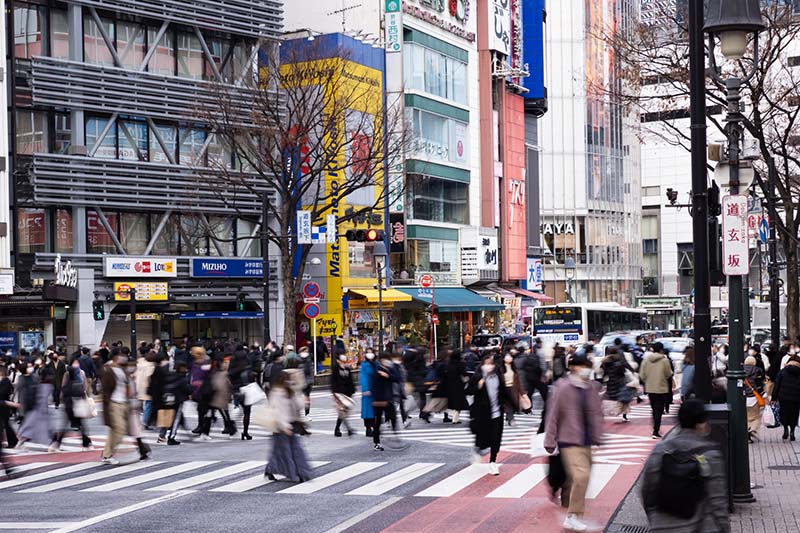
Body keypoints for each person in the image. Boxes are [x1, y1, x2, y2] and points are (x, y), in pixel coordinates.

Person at [641, 399, 730, 533]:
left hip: (663, 525)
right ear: (701, 424)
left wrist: (654, 517)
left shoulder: (661, 449)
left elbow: (647, 489)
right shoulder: (710, 455)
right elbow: (718, 501)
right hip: (700, 526)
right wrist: (724, 527)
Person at [544, 353, 604, 533]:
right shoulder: (562, 387)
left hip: (586, 440)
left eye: (588, 365)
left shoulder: (591, 387)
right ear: (573, 367)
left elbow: (596, 412)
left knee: (577, 479)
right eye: (582, 366)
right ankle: (573, 516)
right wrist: (550, 439)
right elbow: (553, 414)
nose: (586, 369)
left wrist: (599, 434)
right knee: (581, 476)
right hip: (568, 439)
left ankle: (569, 507)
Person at [264, 371, 313, 483]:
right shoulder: (276, 394)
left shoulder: (290, 392)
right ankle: (294, 473)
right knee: (285, 451)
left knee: (288, 450)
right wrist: (284, 426)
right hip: (280, 427)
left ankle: (274, 469)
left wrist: (304, 401)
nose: (289, 382)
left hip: (290, 424)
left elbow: (297, 405)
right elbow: (277, 412)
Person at [468, 354, 511, 475]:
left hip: (497, 413)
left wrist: (513, 406)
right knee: (483, 438)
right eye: (486, 364)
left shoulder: (497, 376)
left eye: (491, 364)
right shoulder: (477, 377)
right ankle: (478, 450)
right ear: (482, 365)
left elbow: (503, 392)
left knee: (495, 438)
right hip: (482, 413)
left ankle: (493, 462)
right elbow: (468, 391)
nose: (489, 366)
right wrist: (478, 386)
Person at [50, 357, 92, 452]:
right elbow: (80, 390)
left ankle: (56, 443)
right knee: (80, 425)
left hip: (70, 405)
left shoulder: (81, 373)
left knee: (70, 425)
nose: (76, 364)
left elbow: (65, 390)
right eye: (74, 362)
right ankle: (87, 444)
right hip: (75, 404)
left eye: (77, 362)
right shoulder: (68, 375)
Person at [100, 350, 132, 464]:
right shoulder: (108, 370)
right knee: (120, 429)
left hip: (123, 402)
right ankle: (107, 454)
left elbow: (126, 385)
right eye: (120, 356)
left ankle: (106, 454)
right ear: (114, 358)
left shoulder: (122, 369)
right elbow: (105, 391)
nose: (123, 358)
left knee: (114, 430)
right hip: (114, 403)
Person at [640, 342, 674, 439]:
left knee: (654, 409)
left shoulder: (646, 360)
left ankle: (655, 428)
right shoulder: (664, 360)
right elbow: (668, 374)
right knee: (659, 409)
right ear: (661, 349)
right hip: (661, 387)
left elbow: (642, 375)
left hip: (650, 387)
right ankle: (655, 431)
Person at [16, 359, 51, 449]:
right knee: (27, 423)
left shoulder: (34, 377)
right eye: (28, 367)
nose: (30, 368)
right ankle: (21, 439)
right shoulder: (21, 378)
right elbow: (19, 393)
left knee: (31, 423)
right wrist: (19, 404)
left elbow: (39, 388)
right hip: (26, 403)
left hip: (35, 403)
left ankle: (23, 439)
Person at [372, 352, 401, 451]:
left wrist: (387, 375)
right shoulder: (377, 370)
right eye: (384, 359)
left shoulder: (391, 369)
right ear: (381, 361)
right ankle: (376, 442)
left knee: (393, 417)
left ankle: (395, 434)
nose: (386, 361)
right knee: (378, 421)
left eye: (387, 359)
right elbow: (374, 386)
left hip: (388, 398)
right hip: (379, 399)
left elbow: (397, 378)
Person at [771, 354, 800, 441]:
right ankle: (792, 432)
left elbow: (777, 385)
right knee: (794, 414)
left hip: (783, 396)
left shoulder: (783, 371)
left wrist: (774, 397)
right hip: (796, 397)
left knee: (784, 413)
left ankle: (785, 429)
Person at [601, 347, 634, 422]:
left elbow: (604, 373)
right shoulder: (619, 362)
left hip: (610, 383)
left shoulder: (605, 362)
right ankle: (624, 416)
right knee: (624, 399)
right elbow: (623, 372)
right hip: (619, 383)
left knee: (608, 398)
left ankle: (603, 414)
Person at [331, 353, 355, 437]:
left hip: (347, 393)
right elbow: (333, 382)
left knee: (345, 412)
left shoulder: (348, 368)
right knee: (342, 412)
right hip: (339, 393)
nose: (343, 363)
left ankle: (338, 428)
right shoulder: (335, 369)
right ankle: (347, 429)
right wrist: (334, 393)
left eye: (344, 361)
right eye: (342, 361)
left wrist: (352, 391)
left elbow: (350, 380)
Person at [744, 355, 765, 442]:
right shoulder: (757, 370)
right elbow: (760, 383)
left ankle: (747, 431)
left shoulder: (741, 370)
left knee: (746, 416)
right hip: (754, 396)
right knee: (756, 417)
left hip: (743, 397)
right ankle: (752, 429)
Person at [501, 351, 526, 426]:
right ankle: (511, 419)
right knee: (507, 405)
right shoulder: (500, 368)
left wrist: (522, 392)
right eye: (507, 356)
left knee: (512, 404)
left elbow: (518, 381)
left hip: (513, 389)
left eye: (510, 357)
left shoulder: (514, 368)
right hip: (504, 389)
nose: (509, 358)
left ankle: (509, 417)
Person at [445, 349, 468, 424]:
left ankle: (454, 417)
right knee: (459, 400)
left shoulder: (448, 364)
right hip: (458, 383)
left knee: (453, 400)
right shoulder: (460, 364)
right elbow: (463, 373)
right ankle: (455, 418)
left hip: (449, 383)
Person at [137, 351, 156, 430]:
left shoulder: (140, 364)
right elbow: (149, 377)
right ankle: (145, 422)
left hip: (139, 386)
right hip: (147, 387)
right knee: (148, 405)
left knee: (142, 406)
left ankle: (140, 422)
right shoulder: (151, 366)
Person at [360, 351, 376, 437]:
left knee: (373, 411)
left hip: (375, 390)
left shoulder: (376, 364)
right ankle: (368, 428)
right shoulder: (364, 366)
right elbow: (363, 377)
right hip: (367, 392)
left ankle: (373, 427)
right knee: (367, 411)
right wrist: (366, 388)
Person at [298, 347, 314, 417]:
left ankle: (298, 412)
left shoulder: (297, 359)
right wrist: (311, 380)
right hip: (308, 381)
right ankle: (307, 413)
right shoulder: (309, 359)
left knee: (298, 397)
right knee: (307, 397)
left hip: (299, 380)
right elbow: (311, 371)